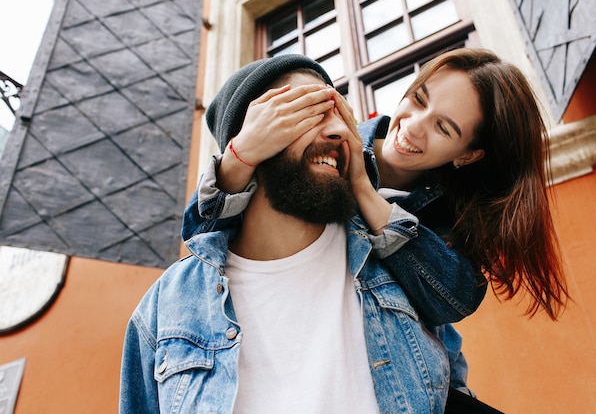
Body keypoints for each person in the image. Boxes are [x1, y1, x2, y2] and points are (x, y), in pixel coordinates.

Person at [119, 55, 453, 414]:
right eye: (308, 111)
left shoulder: (398, 269)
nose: (342, 130)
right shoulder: (166, 306)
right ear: (251, 137)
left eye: (338, 112)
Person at [191, 48, 569, 324]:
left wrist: (363, 189)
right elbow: (199, 238)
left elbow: (454, 301)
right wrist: (239, 156)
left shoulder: (448, 216)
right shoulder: (324, 143)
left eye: (443, 127)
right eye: (418, 100)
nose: (414, 125)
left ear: (467, 156)